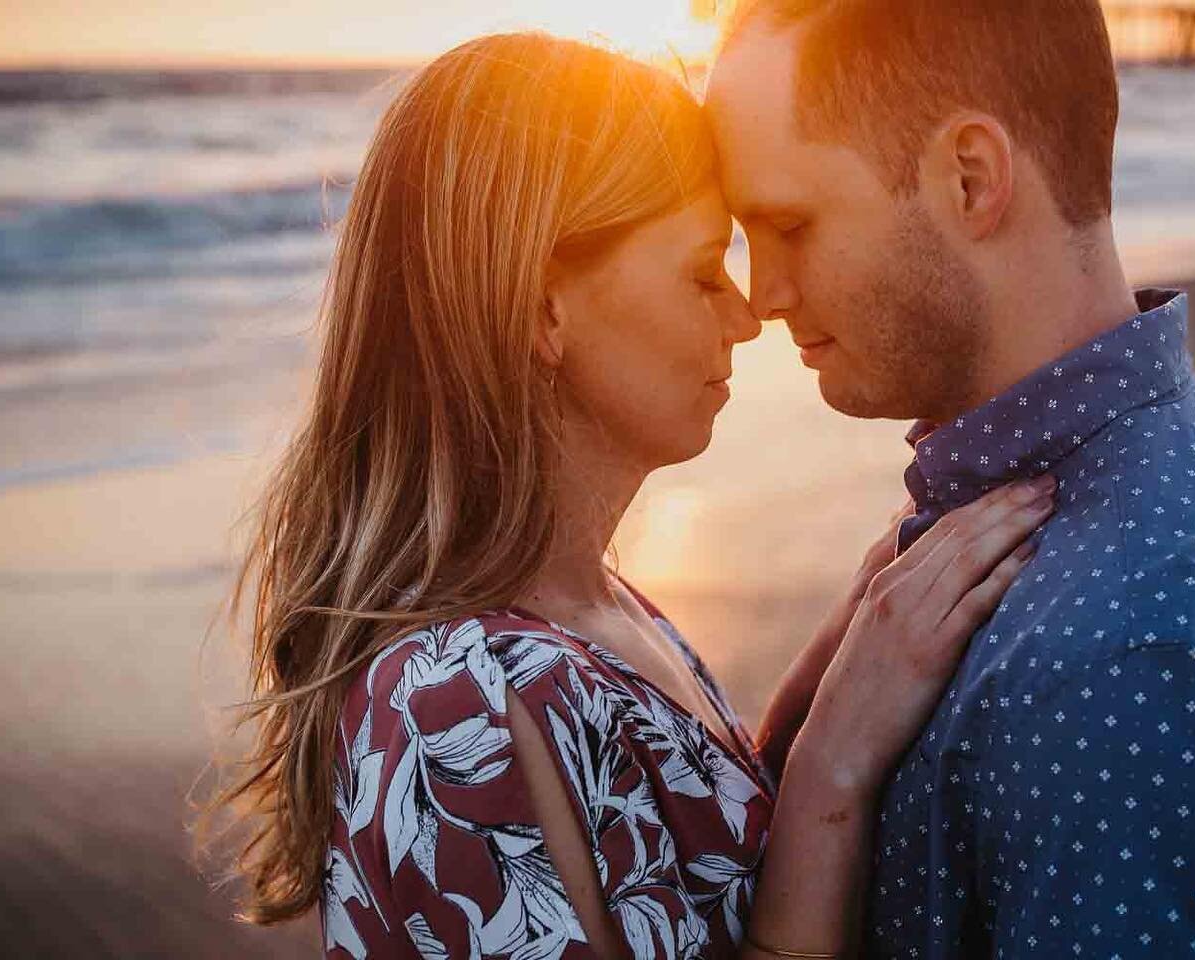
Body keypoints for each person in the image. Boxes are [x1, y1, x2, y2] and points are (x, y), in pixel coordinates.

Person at [206, 33, 1058, 960]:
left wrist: (824, 683)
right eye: (701, 272)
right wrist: (830, 771)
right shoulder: (452, 706)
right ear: (541, 307)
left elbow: (683, 880)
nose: (746, 317)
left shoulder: (594, 610)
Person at [705, 1, 1195, 957]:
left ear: (971, 177)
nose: (764, 293)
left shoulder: (1127, 660)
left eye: (789, 223)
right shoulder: (1118, 471)